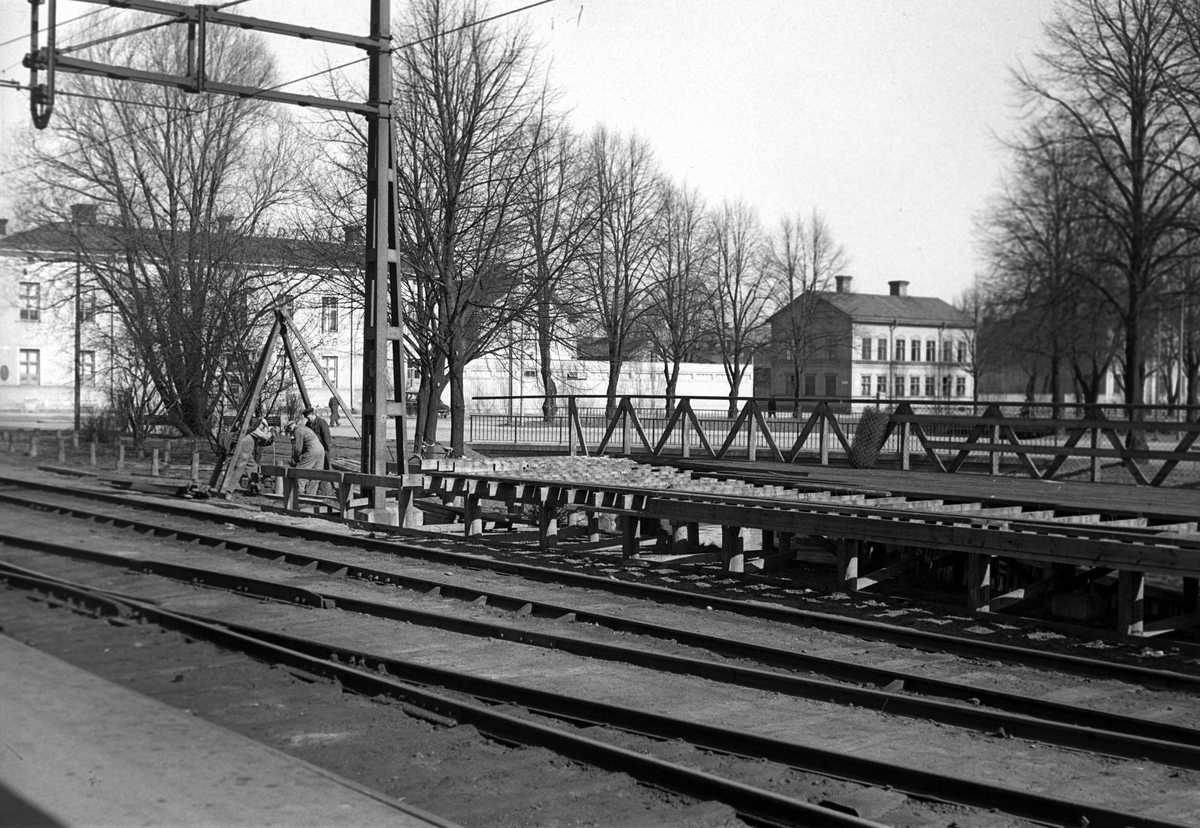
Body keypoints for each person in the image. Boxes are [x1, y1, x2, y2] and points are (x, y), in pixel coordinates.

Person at [219, 419, 273, 497]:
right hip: (243, 451)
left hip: (248, 453)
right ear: (261, 424)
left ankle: (253, 486)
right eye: (263, 426)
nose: (262, 428)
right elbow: (265, 437)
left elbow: (261, 442)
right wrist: (271, 432)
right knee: (239, 469)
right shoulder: (254, 429)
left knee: (254, 468)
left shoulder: (251, 429)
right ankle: (228, 490)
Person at [286, 418, 325, 496]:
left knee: (300, 472)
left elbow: (298, 448)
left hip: (312, 450)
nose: (291, 433)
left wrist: (296, 459)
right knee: (315, 474)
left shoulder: (297, 431)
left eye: (289, 431)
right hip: (321, 449)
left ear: (290, 427)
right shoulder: (304, 428)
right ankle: (311, 495)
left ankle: (300, 495)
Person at [303, 406, 334, 496]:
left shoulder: (321, 423)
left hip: (323, 450)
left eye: (308, 417)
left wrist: (327, 451)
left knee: (325, 470)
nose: (308, 419)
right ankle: (313, 490)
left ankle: (322, 491)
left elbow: (326, 437)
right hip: (313, 451)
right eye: (306, 418)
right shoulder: (308, 424)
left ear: (313, 414)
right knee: (315, 469)